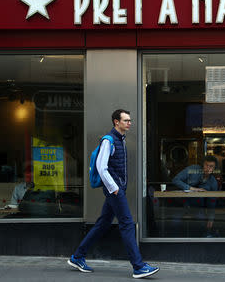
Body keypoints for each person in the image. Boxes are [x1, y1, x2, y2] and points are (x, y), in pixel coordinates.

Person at [68, 109, 159, 278]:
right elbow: (102, 168)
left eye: (130, 120)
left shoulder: (120, 140)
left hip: (117, 189)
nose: (129, 123)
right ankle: (138, 266)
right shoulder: (108, 141)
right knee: (127, 223)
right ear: (116, 122)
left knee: (103, 223)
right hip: (114, 190)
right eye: (126, 120)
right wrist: (114, 188)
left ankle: (77, 257)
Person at [171, 155, 219, 237]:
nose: (208, 168)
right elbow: (175, 180)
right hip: (180, 204)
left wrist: (211, 219)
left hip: (198, 207)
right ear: (202, 164)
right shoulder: (193, 169)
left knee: (201, 226)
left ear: (214, 169)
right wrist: (191, 188)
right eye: (206, 165)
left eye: (211, 166)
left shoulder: (213, 182)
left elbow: (212, 202)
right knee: (174, 224)